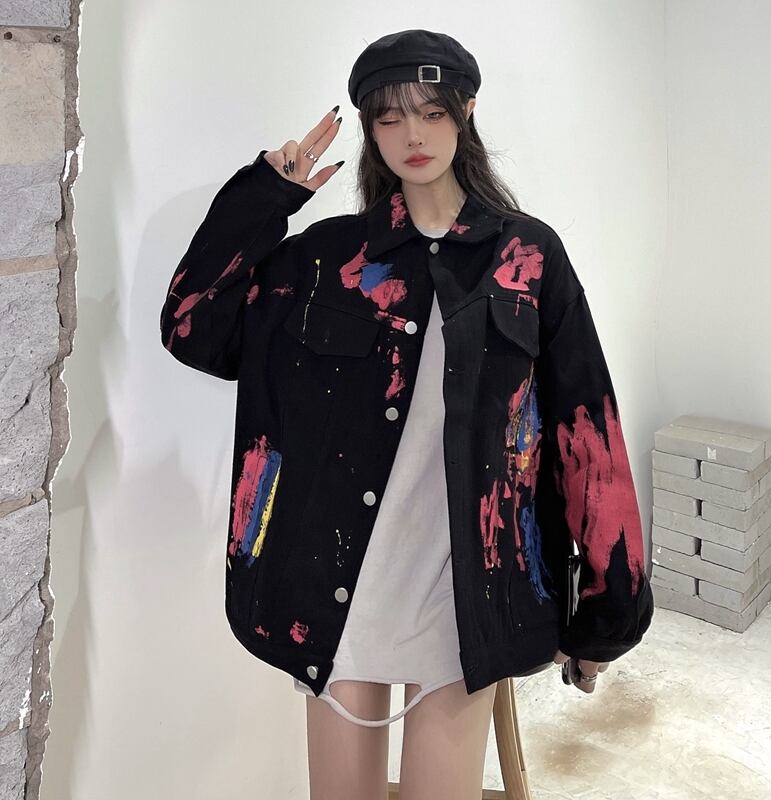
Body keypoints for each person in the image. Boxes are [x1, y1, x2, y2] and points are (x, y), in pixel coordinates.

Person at [160, 28, 652, 800]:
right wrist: (266, 198)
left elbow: (587, 434)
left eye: (431, 111)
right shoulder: (328, 258)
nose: (412, 135)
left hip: (466, 603)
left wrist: (608, 610)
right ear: (369, 128)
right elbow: (192, 327)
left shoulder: (527, 258)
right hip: (339, 596)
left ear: (466, 112)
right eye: (389, 117)